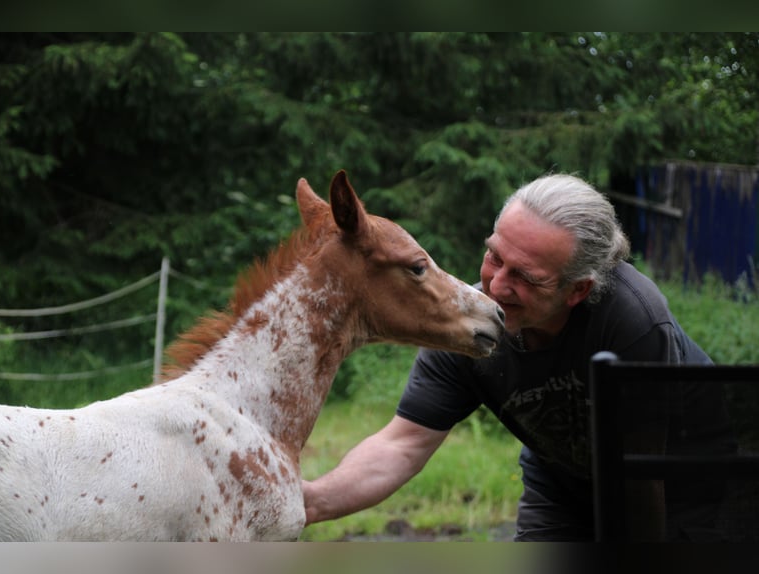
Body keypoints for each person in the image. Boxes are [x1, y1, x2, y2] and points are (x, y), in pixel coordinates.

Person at [302, 173, 736, 541]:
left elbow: (641, 478)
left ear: (578, 290)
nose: (496, 286)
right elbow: (402, 444)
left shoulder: (630, 321)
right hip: (563, 483)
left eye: (526, 278)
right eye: (494, 256)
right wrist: (310, 501)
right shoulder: (469, 327)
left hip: (686, 483)